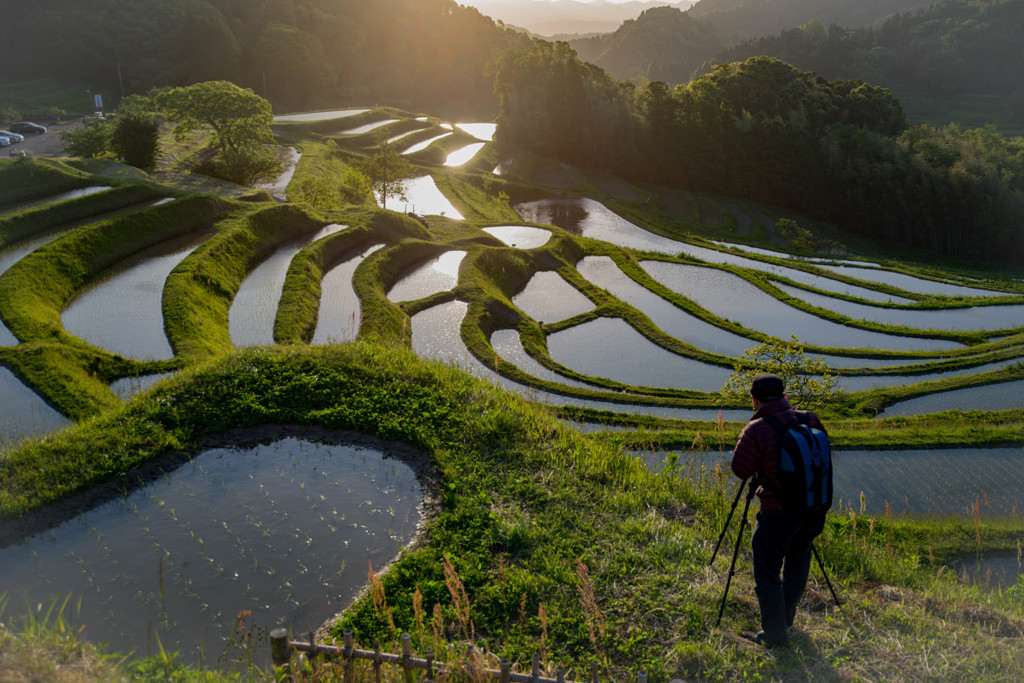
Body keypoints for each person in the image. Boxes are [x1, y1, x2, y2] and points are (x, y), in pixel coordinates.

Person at [730, 372, 828, 648]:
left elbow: (740, 469)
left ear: (754, 400)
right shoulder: (809, 418)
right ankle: (784, 620)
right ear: (785, 395)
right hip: (813, 508)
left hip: (778, 512)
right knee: (797, 565)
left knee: (768, 572)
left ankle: (775, 637)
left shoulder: (758, 428)